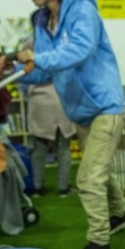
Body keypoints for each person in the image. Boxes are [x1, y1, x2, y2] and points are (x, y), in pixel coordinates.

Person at [16, 0, 125, 249]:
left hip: (105, 105)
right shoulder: (43, 22)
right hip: (80, 111)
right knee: (98, 171)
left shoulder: (82, 8)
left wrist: (37, 58)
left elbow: (81, 48)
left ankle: (100, 241)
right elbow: (43, 70)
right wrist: (16, 68)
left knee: (88, 177)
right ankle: (121, 213)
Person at [20, 39, 75, 198]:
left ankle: (37, 188)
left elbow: (22, 74)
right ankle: (64, 188)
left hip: (39, 101)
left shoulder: (28, 44)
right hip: (60, 98)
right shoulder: (61, 41)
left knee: (39, 149)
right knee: (63, 148)